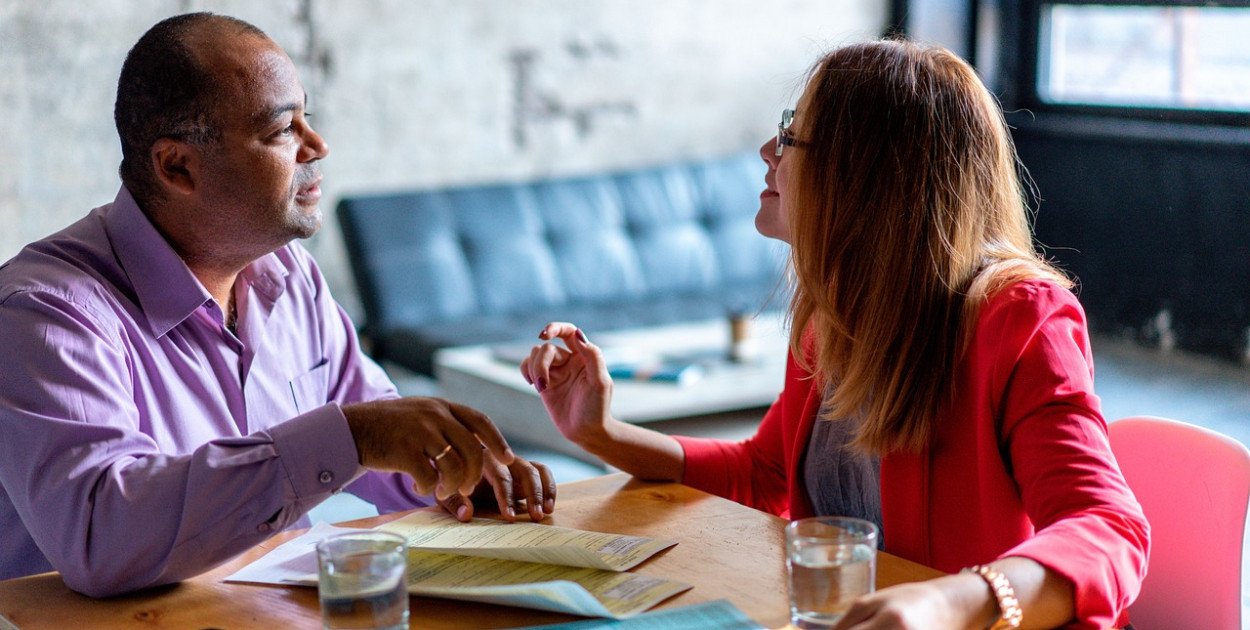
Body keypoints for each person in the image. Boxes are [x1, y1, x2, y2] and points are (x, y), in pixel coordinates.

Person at [522, 40, 1148, 630]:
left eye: (792, 134)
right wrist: (601, 433)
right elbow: (763, 472)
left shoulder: (1018, 317)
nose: (770, 151)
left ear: (866, 174)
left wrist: (950, 600)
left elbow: (1108, 526)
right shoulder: (838, 314)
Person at [0, 12, 554, 597]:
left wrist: (459, 473)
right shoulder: (46, 315)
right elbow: (101, 534)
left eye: (306, 117)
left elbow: (381, 431)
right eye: (281, 130)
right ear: (177, 166)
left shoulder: (290, 277)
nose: (316, 145)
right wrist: (351, 438)